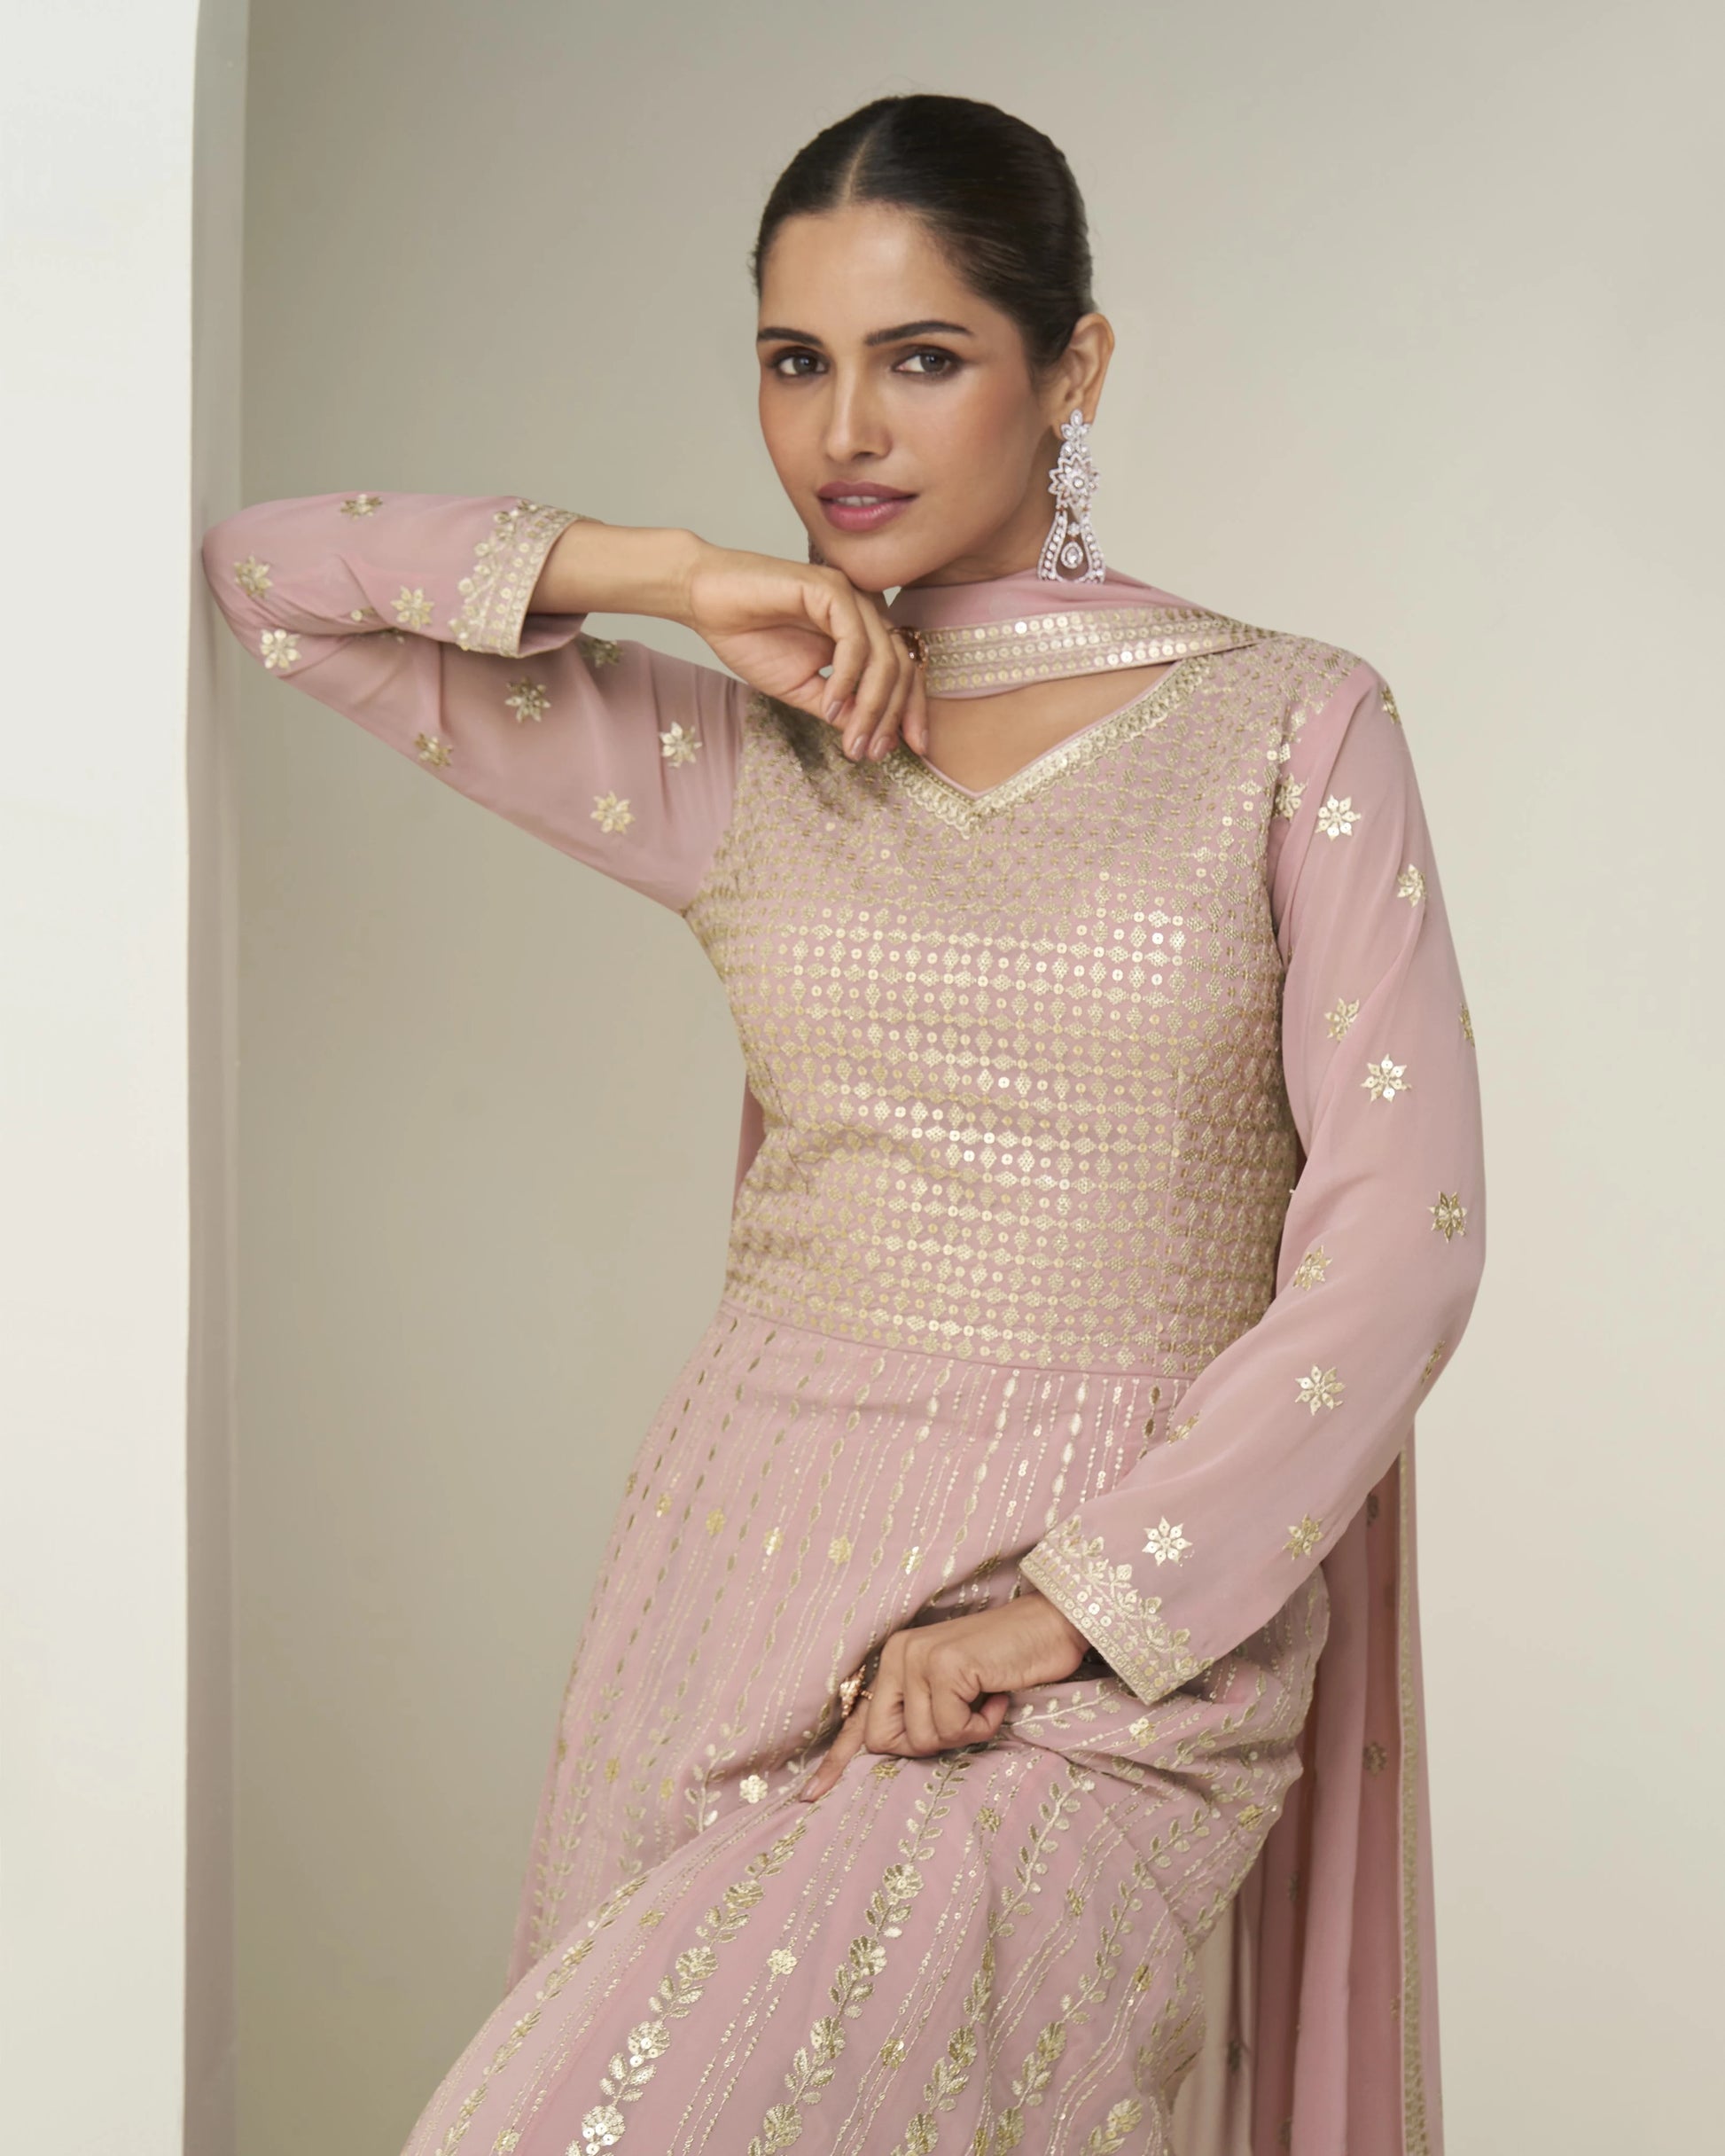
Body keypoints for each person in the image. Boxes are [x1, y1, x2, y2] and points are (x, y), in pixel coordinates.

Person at [203, 92, 1483, 2156]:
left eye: (923, 357)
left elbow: (1399, 1237)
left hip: (1116, 1622)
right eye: (796, 361)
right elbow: (275, 583)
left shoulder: (1288, 726)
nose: (843, 434)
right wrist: (677, 575)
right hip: (746, 1569)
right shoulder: (746, 750)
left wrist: (1071, 1604)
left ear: (1070, 372)